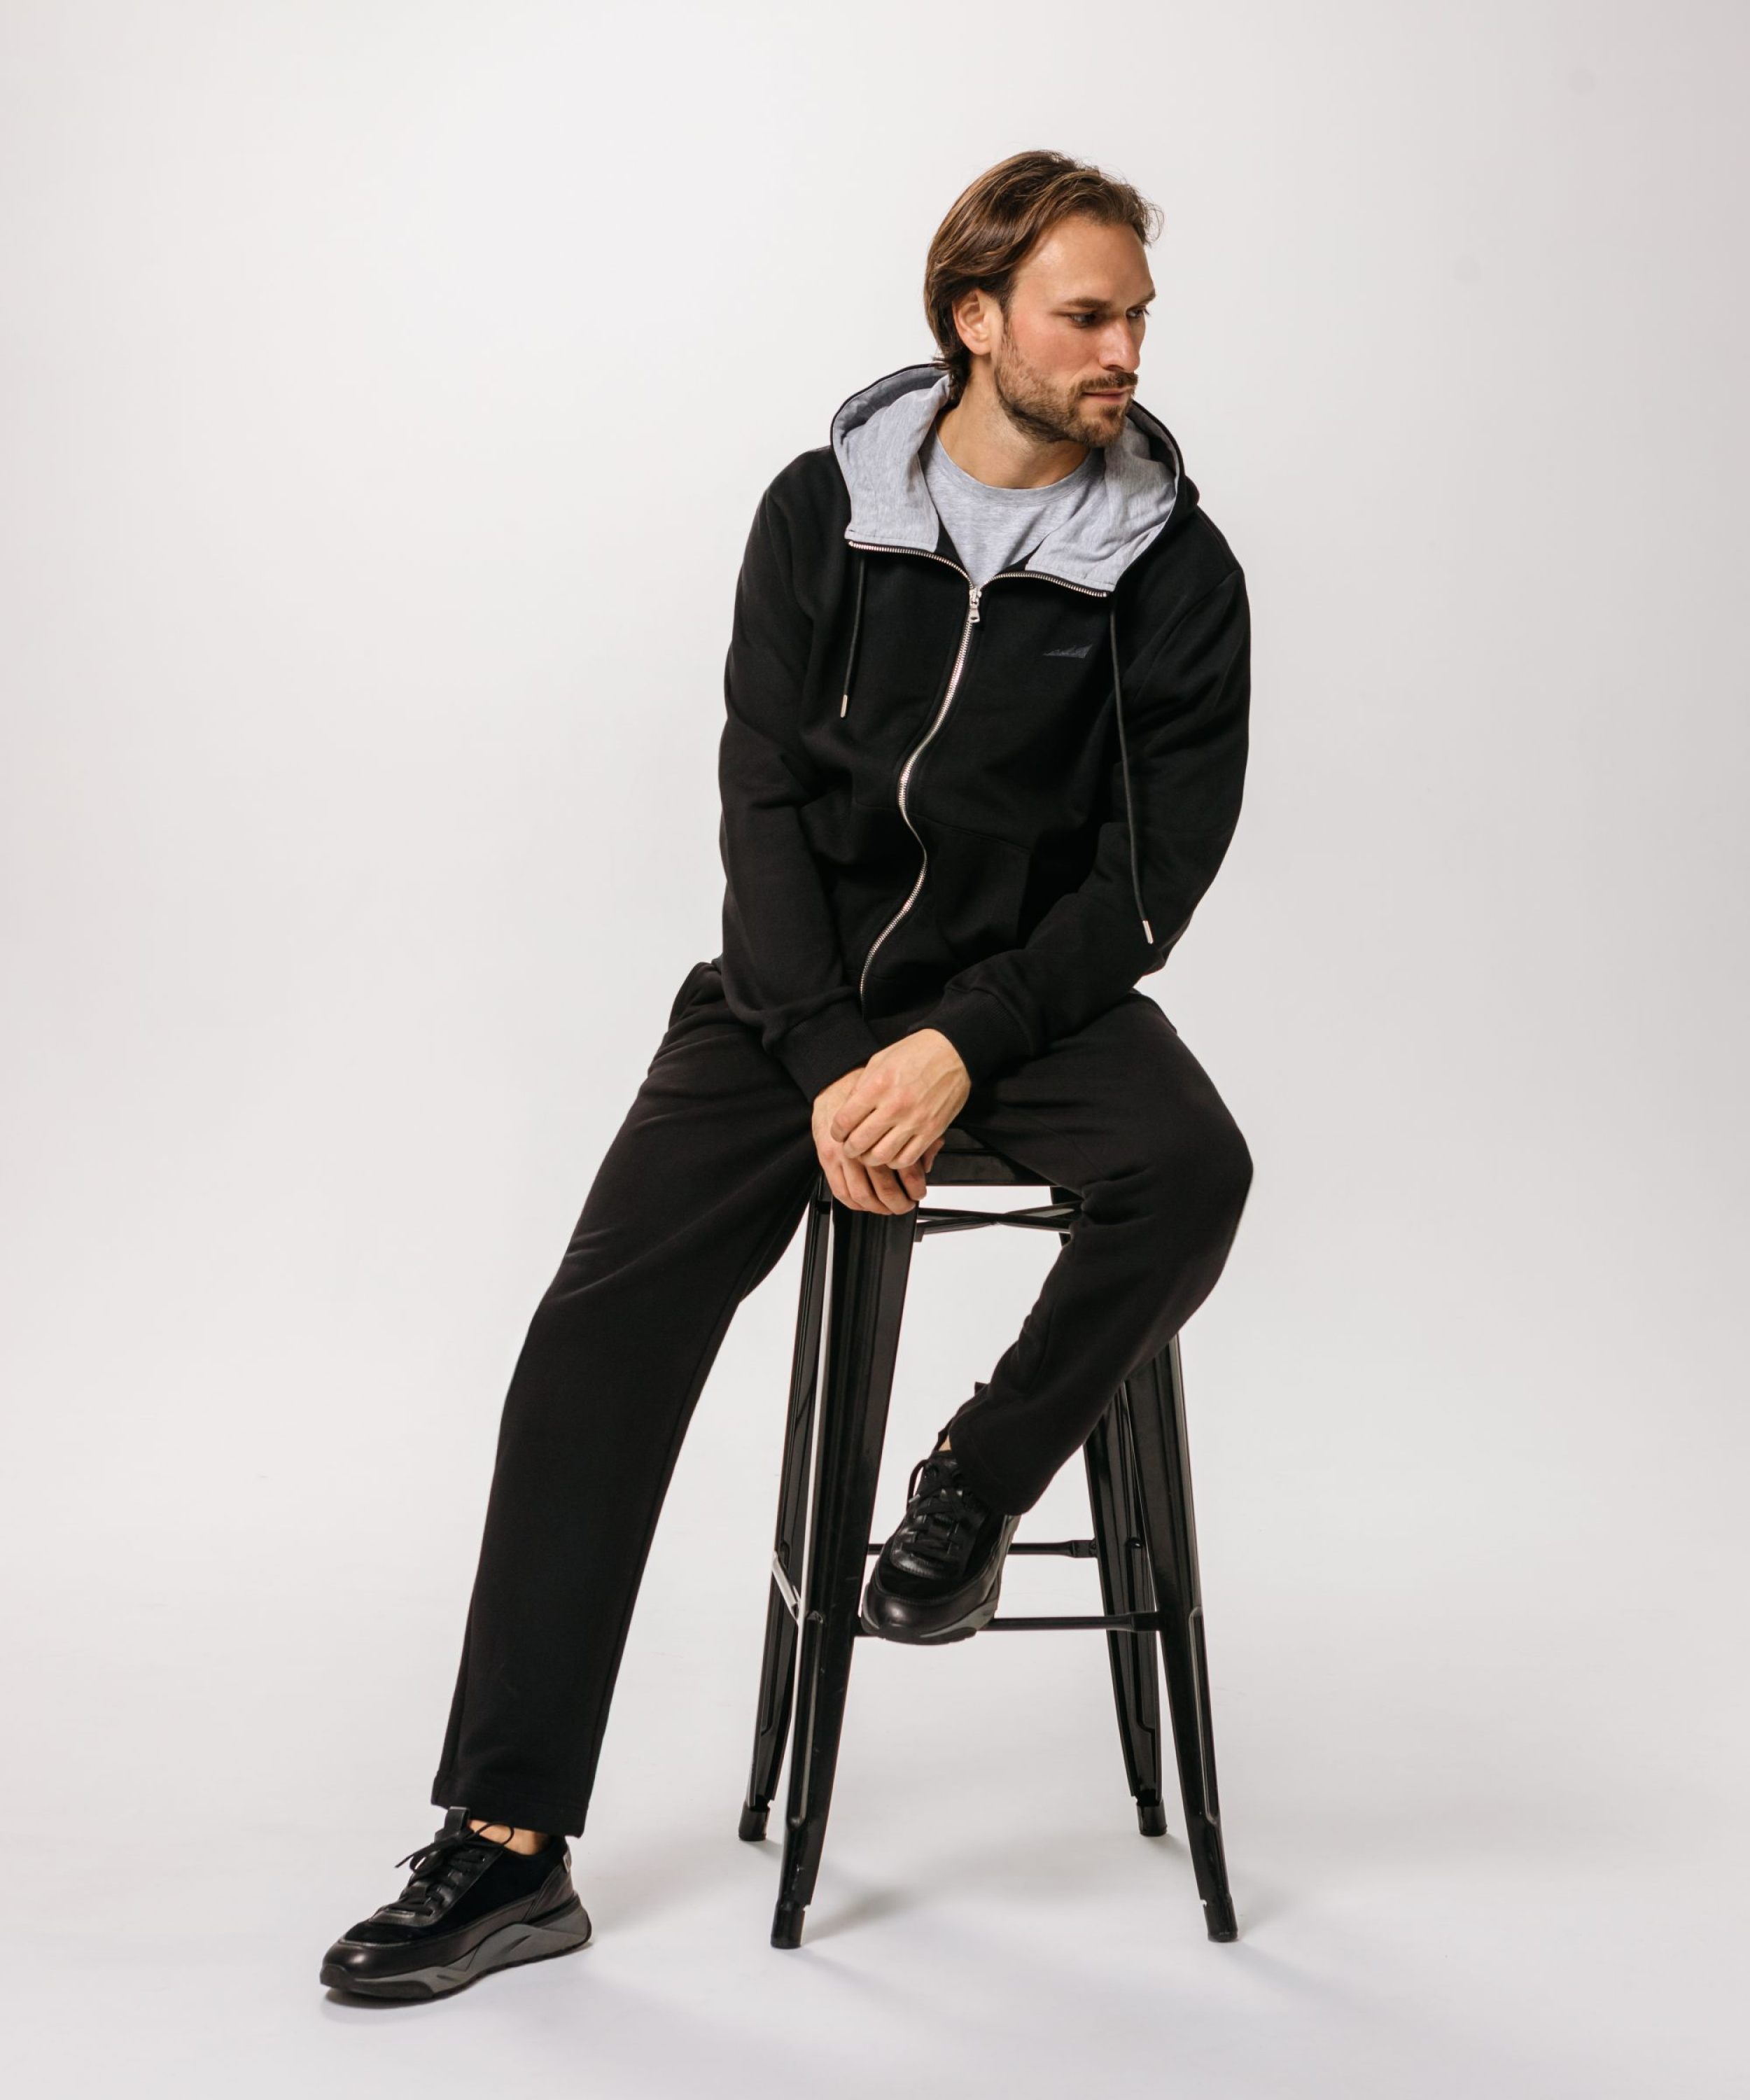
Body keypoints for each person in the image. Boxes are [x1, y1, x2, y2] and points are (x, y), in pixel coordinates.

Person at [320, 146, 1255, 2000]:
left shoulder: (1171, 566)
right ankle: (504, 1849)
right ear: (974, 318)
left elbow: (1149, 884)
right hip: (790, 1005)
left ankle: (967, 1494)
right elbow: (760, 799)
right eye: (1086, 315)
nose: (1124, 352)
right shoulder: (820, 511)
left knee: (1191, 1169)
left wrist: (957, 1044)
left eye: (1138, 317)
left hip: (1026, 1008)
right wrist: (833, 1054)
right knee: (595, 1338)